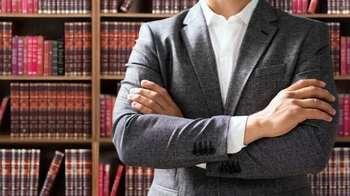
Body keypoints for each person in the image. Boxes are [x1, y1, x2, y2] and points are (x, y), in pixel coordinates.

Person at [112, 0, 338, 195]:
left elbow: (311, 150)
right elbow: (130, 140)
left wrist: (183, 136)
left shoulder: (306, 34)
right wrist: (258, 124)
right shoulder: (156, 36)